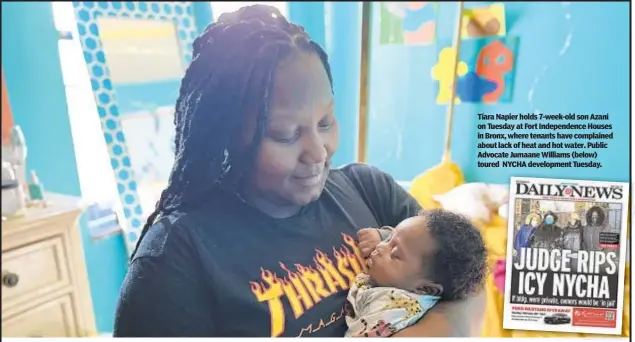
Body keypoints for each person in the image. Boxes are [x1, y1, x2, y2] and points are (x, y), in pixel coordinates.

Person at [113, 5, 484, 337]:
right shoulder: (173, 262)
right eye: (286, 134)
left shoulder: (368, 189)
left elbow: (467, 281)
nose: (319, 153)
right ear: (229, 135)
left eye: (326, 121)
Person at [345, 209, 487, 337]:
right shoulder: (418, 270)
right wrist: (381, 234)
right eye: (388, 239)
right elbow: (409, 240)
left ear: (425, 288)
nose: (380, 247)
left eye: (394, 254)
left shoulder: (390, 309)